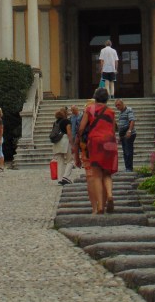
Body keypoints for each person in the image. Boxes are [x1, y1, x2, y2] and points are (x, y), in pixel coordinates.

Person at [74, 86, 118, 214]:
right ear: (107, 99)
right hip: (110, 142)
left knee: (97, 175)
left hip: (96, 142)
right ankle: (110, 195)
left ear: (95, 97)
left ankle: (99, 208)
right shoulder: (111, 111)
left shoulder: (90, 109)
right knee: (107, 174)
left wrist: (80, 139)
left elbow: (81, 128)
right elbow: (113, 129)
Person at [59, 105, 83, 185]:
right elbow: (70, 130)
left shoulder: (81, 116)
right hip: (73, 137)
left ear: (77, 109)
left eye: (73, 110)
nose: (72, 111)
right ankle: (65, 176)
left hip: (79, 136)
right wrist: (72, 139)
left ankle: (61, 178)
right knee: (71, 157)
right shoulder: (70, 119)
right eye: (71, 110)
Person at [115, 98, 136, 172]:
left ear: (122, 104)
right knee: (125, 151)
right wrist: (120, 137)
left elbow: (132, 120)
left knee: (128, 151)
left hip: (129, 134)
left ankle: (129, 168)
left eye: (119, 105)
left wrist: (129, 131)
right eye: (116, 106)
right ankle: (127, 167)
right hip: (123, 134)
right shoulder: (120, 113)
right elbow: (121, 126)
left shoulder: (128, 110)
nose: (117, 107)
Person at [52, 107, 72, 183]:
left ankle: (60, 179)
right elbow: (69, 133)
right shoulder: (67, 121)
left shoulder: (56, 122)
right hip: (65, 141)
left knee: (60, 161)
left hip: (57, 142)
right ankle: (65, 177)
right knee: (70, 160)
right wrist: (72, 143)